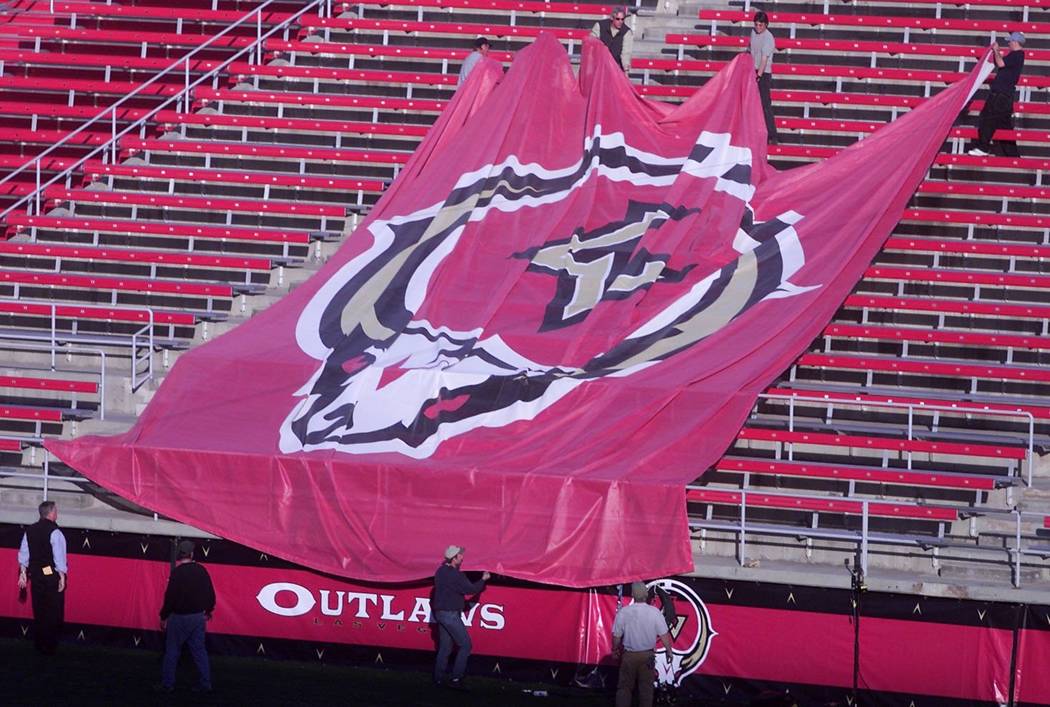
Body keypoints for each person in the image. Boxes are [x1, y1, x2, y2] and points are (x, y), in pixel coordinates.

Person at [158, 540, 216, 694]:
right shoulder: (201, 570)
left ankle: (167, 684)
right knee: (199, 651)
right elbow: (211, 595)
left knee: (172, 651)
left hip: (179, 617)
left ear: (179, 555)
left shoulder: (177, 573)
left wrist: (164, 616)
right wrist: (208, 611)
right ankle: (205, 683)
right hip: (197, 617)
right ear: (191, 554)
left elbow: (169, 598)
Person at [432, 545, 490, 690]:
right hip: (450, 614)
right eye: (460, 556)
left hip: (440, 613)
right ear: (454, 559)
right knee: (465, 646)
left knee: (445, 648)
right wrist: (483, 579)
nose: (462, 557)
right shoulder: (456, 575)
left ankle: (438, 679)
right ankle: (456, 679)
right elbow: (471, 589)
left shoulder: (440, 571)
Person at [611, 582, 674, 707]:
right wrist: (669, 651)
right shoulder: (655, 612)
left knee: (625, 688)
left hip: (629, 656)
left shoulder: (624, 612)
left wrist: (615, 649)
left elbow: (616, 635)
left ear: (633, 594)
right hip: (648, 656)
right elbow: (664, 635)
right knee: (646, 689)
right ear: (646, 595)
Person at [17, 500, 67, 655]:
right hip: (51, 576)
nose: (57, 513)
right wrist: (62, 576)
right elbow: (59, 556)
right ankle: (50, 645)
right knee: (53, 610)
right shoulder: (55, 532)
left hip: (36, 574)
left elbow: (23, 554)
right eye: (56, 511)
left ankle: (39, 643)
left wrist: (23, 573)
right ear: (51, 513)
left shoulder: (30, 530)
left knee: (39, 609)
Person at [968, 32, 1026, 157]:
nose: (1008, 43)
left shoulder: (1017, 54)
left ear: (1015, 42)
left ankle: (983, 147)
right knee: (1004, 126)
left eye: (1010, 41)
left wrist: (996, 50)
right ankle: (1013, 156)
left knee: (987, 118)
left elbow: (1000, 63)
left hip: (1000, 95)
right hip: (1005, 96)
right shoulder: (1016, 55)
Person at [749, 11, 778, 144]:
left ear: (766, 25)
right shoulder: (753, 33)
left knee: (765, 104)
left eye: (761, 25)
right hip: (753, 70)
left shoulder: (769, 37)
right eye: (756, 25)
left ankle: (772, 134)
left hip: (763, 73)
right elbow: (750, 51)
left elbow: (765, 59)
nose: (758, 27)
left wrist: (759, 75)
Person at [591, 7, 633, 72]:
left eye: (622, 19)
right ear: (612, 18)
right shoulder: (600, 26)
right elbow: (591, 43)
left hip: (615, 67)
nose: (620, 21)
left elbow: (626, 52)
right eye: (618, 19)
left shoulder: (627, 32)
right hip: (599, 65)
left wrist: (626, 70)